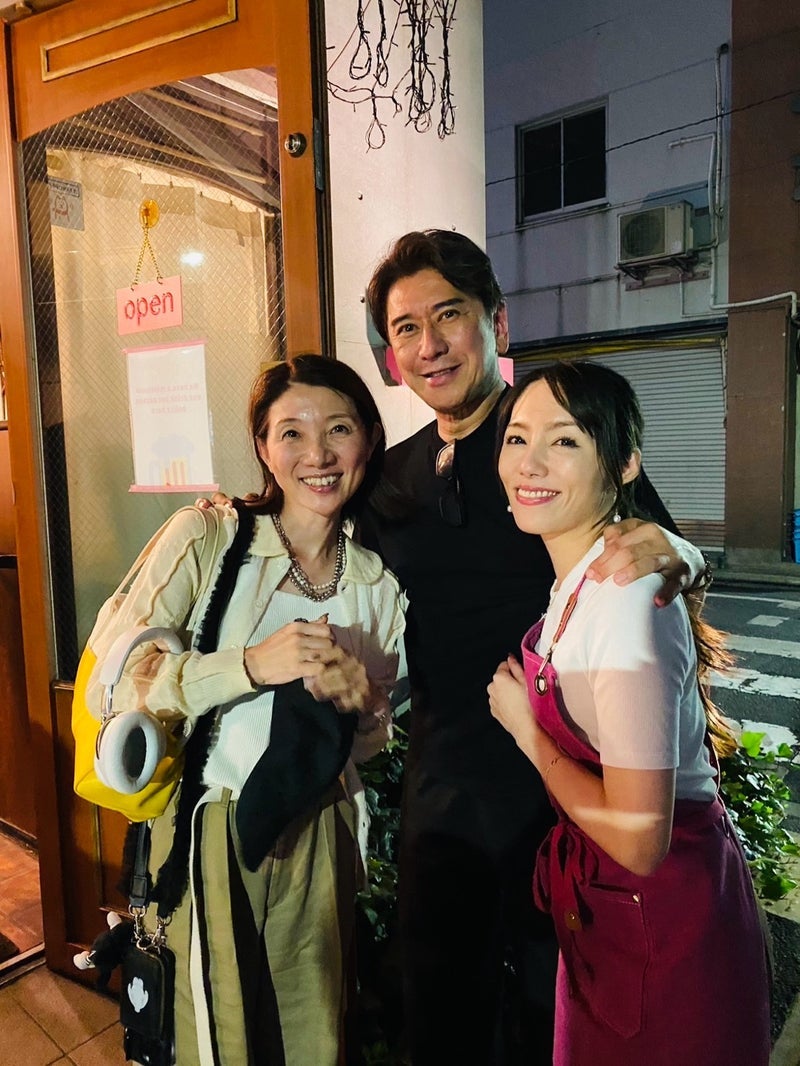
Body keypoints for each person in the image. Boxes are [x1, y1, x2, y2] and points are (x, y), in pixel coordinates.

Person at [361, 230, 708, 1065]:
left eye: (449, 315)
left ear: (498, 324)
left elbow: (655, 556)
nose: (429, 343)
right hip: (445, 789)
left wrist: (687, 555)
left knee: (557, 1020)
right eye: (406, 327)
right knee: (441, 1017)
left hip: (567, 793)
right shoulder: (391, 479)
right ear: (393, 355)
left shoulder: (554, 445)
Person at [85, 354, 406, 1065]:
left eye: (339, 429)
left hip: (320, 831)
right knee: (214, 1039)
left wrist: (364, 704)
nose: (317, 454)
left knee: (313, 1036)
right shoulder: (209, 537)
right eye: (291, 432)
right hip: (208, 828)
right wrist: (251, 665)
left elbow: (371, 740)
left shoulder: (376, 585)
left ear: (369, 439)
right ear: (262, 445)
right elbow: (119, 681)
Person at [488, 360, 770, 1065]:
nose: (530, 462)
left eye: (565, 440)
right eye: (518, 438)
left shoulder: (624, 595)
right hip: (616, 913)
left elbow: (643, 839)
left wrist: (529, 734)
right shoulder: (581, 576)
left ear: (624, 465)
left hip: (666, 922)